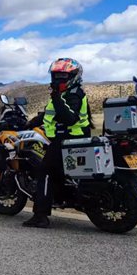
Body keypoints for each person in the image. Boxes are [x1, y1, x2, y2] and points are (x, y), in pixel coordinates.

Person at [23, 58, 92, 228]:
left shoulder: (74, 94)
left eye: (62, 76)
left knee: (44, 171)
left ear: (74, 76)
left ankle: (40, 215)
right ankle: (62, 196)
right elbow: (50, 114)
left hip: (69, 139)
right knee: (57, 171)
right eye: (55, 76)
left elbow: (69, 118)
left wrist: (56, 97)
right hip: (66, 138)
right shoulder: (65, 94)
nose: (58, 80)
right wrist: (31, 123)